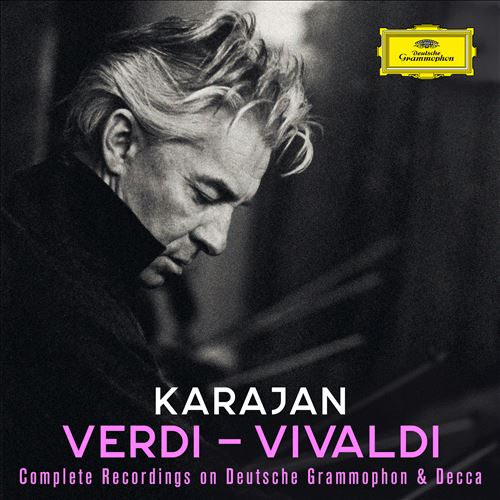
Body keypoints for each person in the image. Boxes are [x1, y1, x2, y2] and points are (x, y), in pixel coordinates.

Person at [1, 10, 314, 498]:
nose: (217, 241)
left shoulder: (32, 214)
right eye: (204, 195)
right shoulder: (58, 295)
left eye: (234, 207)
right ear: (121, 142)